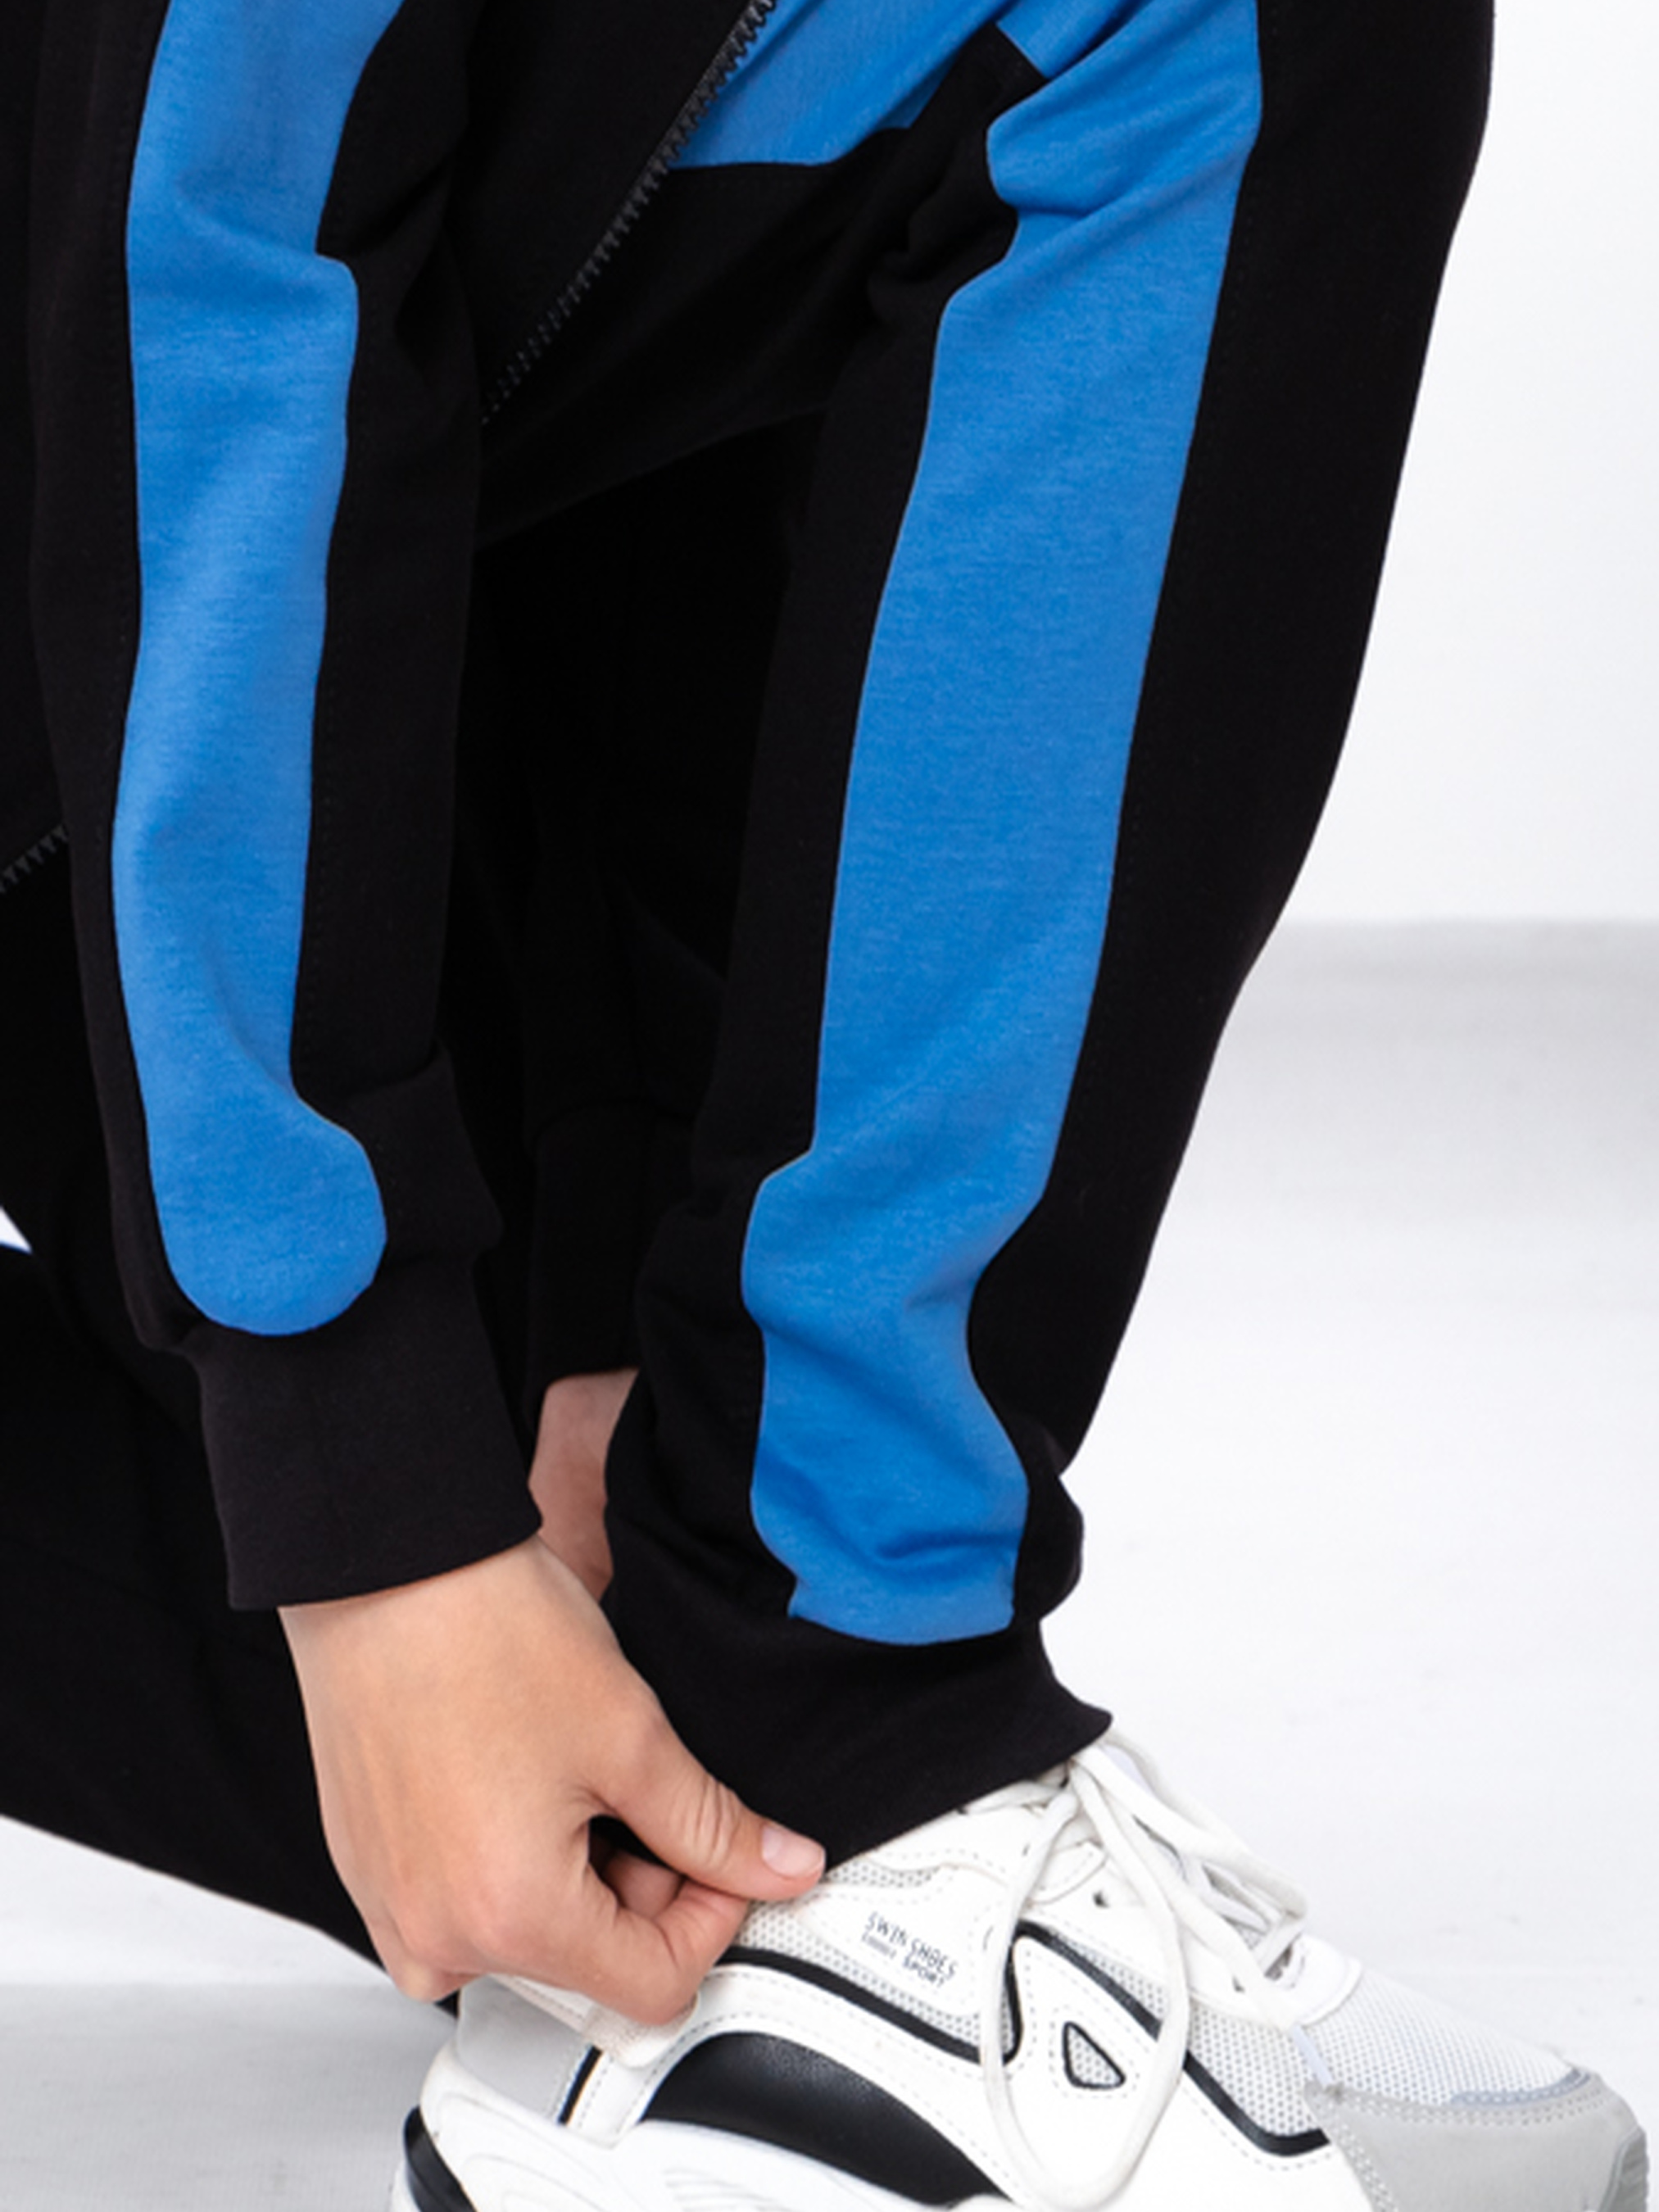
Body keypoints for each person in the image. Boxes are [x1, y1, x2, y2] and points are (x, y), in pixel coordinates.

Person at [0, 0, 1646, 2206]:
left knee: (613, 1757)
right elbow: (210, 242)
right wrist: (363, 1497)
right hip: (103, 530)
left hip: (101, 654)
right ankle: (840, 1738)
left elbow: (615, 232)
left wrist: (595, 1299)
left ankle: (802, 1809)